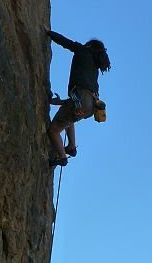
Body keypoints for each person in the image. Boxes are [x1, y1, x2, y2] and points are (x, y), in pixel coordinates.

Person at [46, 30, 111, 167]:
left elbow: (66, 42)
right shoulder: (94, 67)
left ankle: (62, 158)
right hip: (91, 105)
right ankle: (71, 147)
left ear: (89, 46)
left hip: (81, 100)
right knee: (70, 117)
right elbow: (79, 97)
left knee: (54, 131)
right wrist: (61, 103)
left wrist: (48, 32)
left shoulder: (83, 50)